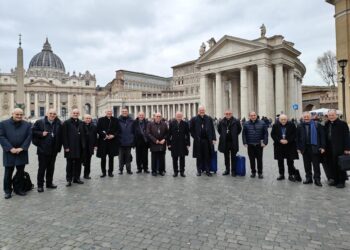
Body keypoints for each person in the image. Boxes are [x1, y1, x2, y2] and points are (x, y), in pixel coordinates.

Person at [0, 108, 32, 199]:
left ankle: (19, 189)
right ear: (12, 114)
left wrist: (22, 148)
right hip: (9, 152)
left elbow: (29, 137)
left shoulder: (27, 124)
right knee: (8, 173)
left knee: (20, 173)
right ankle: (7, 191)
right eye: (17, 114)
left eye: (21, 114)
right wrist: (10, 148)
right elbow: (1, 137)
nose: (19, 116)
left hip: (22, 152)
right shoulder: (3, 124)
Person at [32, 109, 62, 192]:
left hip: (54, 150)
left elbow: (61, 135)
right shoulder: (40, 122)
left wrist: (58, 147)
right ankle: (40, 185)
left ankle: (49, 183)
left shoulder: (59, 123)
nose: (52, 115)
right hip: (43, 150)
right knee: (42, 168)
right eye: (51, 113)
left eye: (54, 114)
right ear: (47, 114)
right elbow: (33, 132)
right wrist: (41, 134)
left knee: (51, 168)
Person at [296, 112, 325, 187]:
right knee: (307, 165)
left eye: (307, 116)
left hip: (315, 147)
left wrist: (322, 147)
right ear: (303, 117)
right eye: (305, 117)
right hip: (304, 148)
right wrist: (298, 148)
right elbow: (297, 138)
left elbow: (322, 137)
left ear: (311, 117)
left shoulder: (317, 125)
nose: (306, 118)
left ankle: (317, 179)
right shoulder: (299, 126)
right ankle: (308, 178)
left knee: (316, 165)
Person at [324, 109, 350, 188]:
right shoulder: (327, 123)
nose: (331, 117)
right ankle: (335, 180)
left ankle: (341, 181)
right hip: (329, 148)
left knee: (340, 165)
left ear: (336, 115)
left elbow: (347, 137)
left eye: (332, 115)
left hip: (340, 148)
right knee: (332, 165)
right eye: (329, 115)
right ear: (327, 116)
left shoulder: (342, 124)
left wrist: (347, 148)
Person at [271, 114, 299, 182]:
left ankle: (291, 175)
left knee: (290, 162)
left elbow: (295, 134)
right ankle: (281, 174)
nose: (283, 121)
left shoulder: (291, 125)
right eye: (282, 119)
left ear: (287, 119)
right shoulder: (275, 125)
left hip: (290, 146)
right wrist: (279, 140)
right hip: (279, 146)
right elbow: (273, 134)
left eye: (285, 119)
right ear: (279, 120)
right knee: (280, 161)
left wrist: (288, 140)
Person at [190, 105, 216, 177]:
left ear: (205, 111)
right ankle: (199, 170)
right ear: (198, 111)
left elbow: (212, 129)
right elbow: (191, 129)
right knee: (199, 156)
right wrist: (195, 137)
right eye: (201, 110)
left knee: (207, 156)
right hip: (198, 140)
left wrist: (214, 138)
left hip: (207, 140)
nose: (202, 111)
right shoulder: (194, 119)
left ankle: (207, 170)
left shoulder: (209, 118)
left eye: (203, 110)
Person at [62, 109, 85, 186]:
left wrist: (83, 146)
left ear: (79, 114)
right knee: (69, 164)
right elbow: (64, 136)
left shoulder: (81, 123)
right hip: (70, 147)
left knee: (78, 164)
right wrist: (66, 147)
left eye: (77, 113)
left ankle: (77, 178)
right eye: (74, 113)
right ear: (71, 113)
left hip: (79, 147)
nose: (75, 114)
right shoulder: (66, 123)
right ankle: (69, 179)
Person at [242, 111, 268, 179]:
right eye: (251, 115)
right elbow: (244, 134)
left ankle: (260, 173)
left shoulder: (262, 123)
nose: (253, 116)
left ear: (256, 115)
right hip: (250, 145)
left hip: (259, 144)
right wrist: (244, 142)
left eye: (254, 115)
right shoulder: (246, 124)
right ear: (249, 116)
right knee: (251, 159)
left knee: (259, 159)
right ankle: (253, 172)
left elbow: (266, 133)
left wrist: (265, 142)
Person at [96, 109, 121, 177]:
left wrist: (113, 135)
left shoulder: (116, 120)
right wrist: (105, 135)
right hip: (103, 142)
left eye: (110, 112)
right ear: (105, 112)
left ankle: (110, 172)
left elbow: (118, 130)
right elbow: (98, 129)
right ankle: (103, 172)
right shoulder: (101, 120)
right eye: (108, 112)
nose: (109, 113)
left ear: (112, 113)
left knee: (111, 158)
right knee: (103, 158)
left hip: (112, 141)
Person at [217, 110, 242, 176]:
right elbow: (219, 130)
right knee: (226, 157)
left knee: (233, 157)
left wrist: (234, 135)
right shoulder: (221, 121)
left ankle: (233, 171)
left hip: (233, 142)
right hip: (225, 142)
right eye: (226, 113)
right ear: (224, 114)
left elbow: (239, 130)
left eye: (229, 113)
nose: (228, 114)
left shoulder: (236, 121)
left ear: (231, 114)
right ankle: (227, 170)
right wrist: (223, 135)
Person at [167, 111, 190, 177]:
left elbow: (187, 134)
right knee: (174, 158)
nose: (179, 117)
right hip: (174, 143)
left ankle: (182, 171)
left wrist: (188, 144)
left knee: (182, 158)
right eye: (178, 116)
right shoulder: (171, 123)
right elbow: (169, 134)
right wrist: (168, 143)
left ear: (182, 116)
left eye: (180, 116)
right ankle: (175, 171)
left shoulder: (185, 123)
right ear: (175, 116)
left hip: (183, 143)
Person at [147, 112, 168, 176]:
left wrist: (164, 139)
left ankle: (161, 170)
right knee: (154, 158)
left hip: (162, 143)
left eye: (159, 116)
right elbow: (148, 133)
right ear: (154, 117)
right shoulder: (150, 124)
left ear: (161, 117)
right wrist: (155, 140)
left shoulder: (164, 124)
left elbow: (167, 133)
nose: (158, 117)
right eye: (157, 116)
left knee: (162, 158)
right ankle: (154, 171)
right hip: (154, 144)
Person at [118, 108, 135, 175]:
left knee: (128, 157)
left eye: (125, 111)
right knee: (120, 157)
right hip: (120, 142)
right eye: (123, 111)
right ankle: (121, 170)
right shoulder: (118, 120)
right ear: (121, 112)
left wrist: (132, 140)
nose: (124, 112)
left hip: (129, 142)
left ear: (128, 112)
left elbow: (133, 131)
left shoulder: (131, 121)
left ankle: (128, 169)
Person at [82, 114, 97, 179]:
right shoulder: (80, 125)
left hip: (90, 146)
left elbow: (95, 136)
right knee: (80, 161)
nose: (88, 119)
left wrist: (95, 145)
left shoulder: (93, 126)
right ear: (84, 119)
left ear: (91, 119)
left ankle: (86, 174)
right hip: (82, 146)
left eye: (89, 118)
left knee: (88, 161)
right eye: (86, 118)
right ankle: (76, 176)